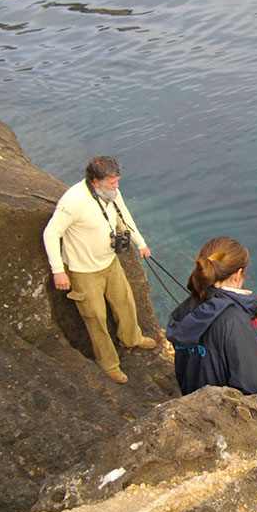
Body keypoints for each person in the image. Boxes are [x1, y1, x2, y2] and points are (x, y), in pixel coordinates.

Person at [43, 156, 157, 384]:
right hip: (83, 270)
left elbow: (124, 215)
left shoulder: (111, 193)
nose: (116, 187)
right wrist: (58, 270)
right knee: (95, 317)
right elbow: (50, 233)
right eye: (112, 183)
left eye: (117, 181)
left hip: (109, 262)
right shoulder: (73, 202)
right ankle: (109, 365)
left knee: (124, 301)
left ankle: (132, 338)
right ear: (95, 181)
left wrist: (140, 242)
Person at [165, 236, 257, 396]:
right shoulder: (233, 319)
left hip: (195, 399)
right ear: (238, 275)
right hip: (226, 410)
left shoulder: (184, 309)